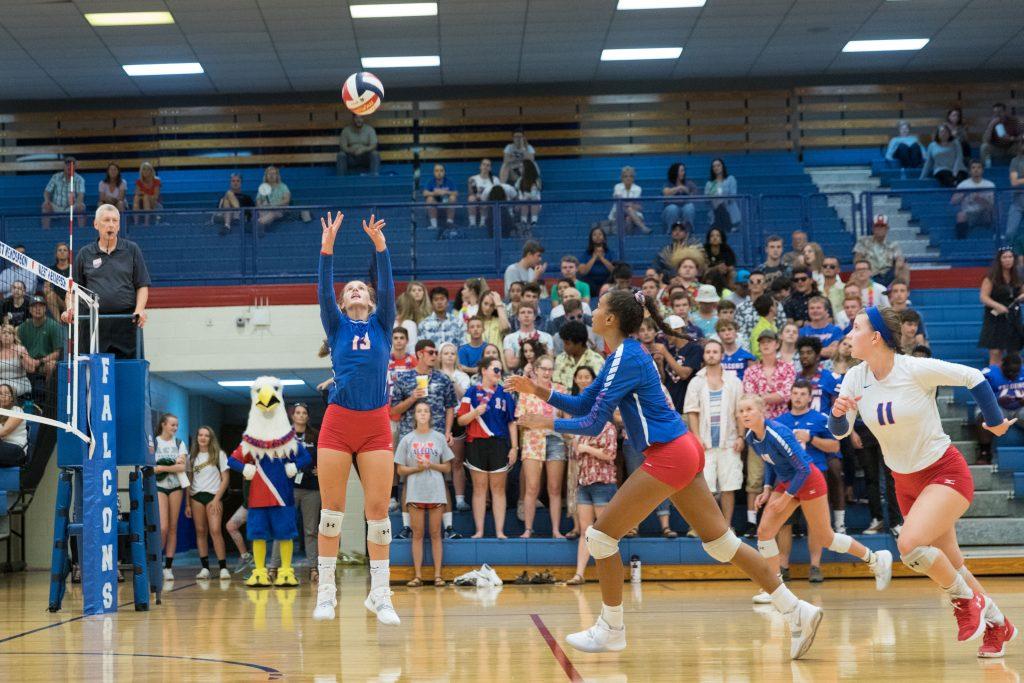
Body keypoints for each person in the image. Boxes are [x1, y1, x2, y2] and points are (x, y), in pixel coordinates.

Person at [506, 289, 822, 658]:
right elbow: (581, 402)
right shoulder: (622, 354)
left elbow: (593, 424)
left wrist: (544, 422)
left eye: (598, 307)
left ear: (610, 319)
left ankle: (611, 628)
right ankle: (796, 609)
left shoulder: (625, 356)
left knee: (600, 538)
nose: (591, 311)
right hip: (681, 449)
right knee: (722, 545)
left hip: (669, 454)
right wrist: (540, 391)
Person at [829, 305, 1017, 656]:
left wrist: (994, 420)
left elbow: (973, 377)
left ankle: (963, 602)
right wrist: (838, 415)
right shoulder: (856, 377)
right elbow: (840, 433)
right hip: (905, 482)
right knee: (953, 563)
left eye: (855, 327)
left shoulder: (913, 368)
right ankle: (998, 623)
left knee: (910, 545)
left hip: (944, 473)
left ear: (876, 337)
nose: (848, 335)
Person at [312, 211, 400, 625]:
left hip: (375, 424)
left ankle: (380, 594)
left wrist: (379, 246)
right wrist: (327, 248)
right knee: (332, 511)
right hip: (338, 424)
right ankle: (326, 593)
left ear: (370, 298)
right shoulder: (336, 326)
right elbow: (322, 291)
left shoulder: (384, 324)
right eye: (350, 290)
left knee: (378, 512)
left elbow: (388, 283)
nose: (355, 290)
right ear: (344, 302)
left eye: (361, 287)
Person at [742, 393, 893, 594]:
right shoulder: (751, 437)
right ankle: (775, 588)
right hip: (788, 482)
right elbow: (770, 461)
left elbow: (803, 469)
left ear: (762, 411)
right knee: (765, 532)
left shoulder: (777, 432)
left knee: (826, 538)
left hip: (809, 480)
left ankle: (875, 559)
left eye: (749, 409)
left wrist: (786, 498)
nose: (745, 414)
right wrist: (767, 489)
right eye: (741, 411)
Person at [63, 205, 150, 359]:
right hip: (93, 323)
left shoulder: (132, 250)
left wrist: (140, 309)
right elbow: (72, 290)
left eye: (115, 221)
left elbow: (142, 285)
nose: (111, 224)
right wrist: (70, 308)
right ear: (96, 224)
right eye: (106, 220)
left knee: (127, 371)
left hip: (125, 323)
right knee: (93, 375)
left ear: (119, 225)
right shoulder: (85, 253)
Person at [389, 339, 457, 535]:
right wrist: (413, 397)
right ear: (419, 354)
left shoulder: (443, 379)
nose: (435, 356)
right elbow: (393, 410)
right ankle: (406, 527)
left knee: (441, 478)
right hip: (409, 437)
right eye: (431, 352)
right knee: (407, 480)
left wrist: (447, 431)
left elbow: (450, 406)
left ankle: (449, 527)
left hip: (436, 436)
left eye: (436, 352)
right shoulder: (404, 379)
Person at [684, 340, 743, 531]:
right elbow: (692, 411)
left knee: (728, 486)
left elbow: (740, 413)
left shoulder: (734, 381)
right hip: (704, 444)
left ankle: (726, 526)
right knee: (705, 488)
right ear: (704, 355)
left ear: (721, 355)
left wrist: (741, 437)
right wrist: (697, 438)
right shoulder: (696, 381)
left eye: (715, 351)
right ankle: (705, 527)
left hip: (729, 442)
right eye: (708, 351)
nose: (711, 354)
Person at [394, 401, 453, 587]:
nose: (422, 414)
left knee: (436, 533)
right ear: (415, 415)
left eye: (426, 411)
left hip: (435, 491)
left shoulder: (439, 438)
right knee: (417, 534)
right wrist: (417, 468)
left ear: (430, 415)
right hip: (414, 491)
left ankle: (437, 575)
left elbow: (448, 466)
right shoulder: (407, 439)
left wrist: (431, 465)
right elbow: (400, 470)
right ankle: (418, 575)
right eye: (419, 411)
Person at [458, 357, 518, 539]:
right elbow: (461, 420)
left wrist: (514, 447)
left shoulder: (505, 393)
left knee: (498, 489)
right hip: (476, 443)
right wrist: (475, 412)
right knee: (479, 488)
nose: (499, 374)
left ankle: (500, 531)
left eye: (500, 370)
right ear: (484, 370)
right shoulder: (471, 391)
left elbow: (512, 422)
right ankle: (479, 531)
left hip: (499, 443)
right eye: (495, 370)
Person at [516, 355, 568, 539]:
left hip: (555, 439)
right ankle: (528, 529)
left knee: (554, 488)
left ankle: (556, 530)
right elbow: (520, 420)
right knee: (532, 487)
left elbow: (567, 418)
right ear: (536, 370)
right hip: (533, 441)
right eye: (544, 368)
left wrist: (549, 422)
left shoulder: (560, 390)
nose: (547, 372)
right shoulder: (526, 391)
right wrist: (543, 423)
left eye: (550, 369)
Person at [564, 414, 618, 586]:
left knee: (604, 532)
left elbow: (610, 454)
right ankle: (579, 574)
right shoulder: (582, 429)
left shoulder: (608, 427)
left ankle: (611, 575)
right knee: (585, 531)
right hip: (584, 483)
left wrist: (586, 448)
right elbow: (576, 451)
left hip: (602, 483)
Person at [184, 426, 230, 580]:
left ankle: (223, 567)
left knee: (215, 530)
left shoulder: (219, 455)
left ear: (211, 438)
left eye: (206, 436)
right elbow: (189, 481)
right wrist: (187, 503)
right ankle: (205, 568)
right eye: (200, 435)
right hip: (196, 497)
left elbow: (226, 479)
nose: (203, 438)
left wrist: (217, 499)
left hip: (213, 496)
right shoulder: (192, 457)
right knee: (200, 531)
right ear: (197, 437)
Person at [437, 341, 471, 518]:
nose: (449, 356)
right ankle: (441, 498)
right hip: (438, 419)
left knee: (457, 461)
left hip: (457, 419)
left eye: (452, 353)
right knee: (440, 463)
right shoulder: (433, 375)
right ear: (440, 356)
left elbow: (464, 397)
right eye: (446, 353)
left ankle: (459, 498)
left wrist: (451, 380)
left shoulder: (462, 376)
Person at [153, 413, 187, 581]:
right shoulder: (154, 442)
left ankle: (168, 567)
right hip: (159, 487)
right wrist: (165, 467)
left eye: (176, 425)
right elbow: (151, 468)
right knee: (163, 527)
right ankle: (157, 562)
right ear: (163, 425)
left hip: (175, 487)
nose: (175, 428)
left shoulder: (180, 443)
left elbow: (181, 468)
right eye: (172, 425)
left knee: (173, 527)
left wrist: (162, 468)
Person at [289, 402, 321, 580]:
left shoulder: (315, 435)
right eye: (297, 413)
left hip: (311, 489)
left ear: (307, 417)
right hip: (289, 488)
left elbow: (325, 454)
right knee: (285, 528)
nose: (300, 415)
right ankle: (275, 567)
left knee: (310, 530)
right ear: (292, 416)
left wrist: (322, 469)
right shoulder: (284, 437)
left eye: (304, 413)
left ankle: (313, 567)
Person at [978, 247, 1024, 366]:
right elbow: (983, 297)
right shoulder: (991, 277)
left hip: (1013, 316)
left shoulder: (1018, 276)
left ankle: (1016, 380)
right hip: (995, 317)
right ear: (999, 260)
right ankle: (995, 381)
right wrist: (997, 306)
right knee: (996, 351)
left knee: (1014, 351)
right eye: (1005, 257)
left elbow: (1021, 293)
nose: (1008, 260)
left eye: (1010, 257)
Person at [978, 352, 1024, 465]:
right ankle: (985, 452)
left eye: (1015, 372)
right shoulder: (989, 373)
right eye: (1009, 371)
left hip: (1021, 407)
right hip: (997, 406)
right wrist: (996, 399)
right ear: (1001, 365)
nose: (1012, 374)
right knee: (984, 415)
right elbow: (979, 394)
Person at [17, 295, 62, 384]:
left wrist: (40, 361)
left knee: (51, 365)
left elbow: (57, 352)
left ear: (45, 309)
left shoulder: (53, 325)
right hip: (27, 361)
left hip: (44, 362)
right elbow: (17, 347)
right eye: (34, 306)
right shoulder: (23, 327)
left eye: (41, 306)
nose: (38, 309)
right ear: (29, 310)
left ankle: (48, 395)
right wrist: (27, 359)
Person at [553, 321, 604, 388]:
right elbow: (555, 385)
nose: (564, 347)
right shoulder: (560, 359)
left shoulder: (597, 361)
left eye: (567, 343)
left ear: (579, 343)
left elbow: (599, 390)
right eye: (564, 343)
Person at [953, 160, 996, 239]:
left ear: (982, 170)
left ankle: (996, 236)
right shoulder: (963, 185)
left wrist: (980, 199)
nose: (976, 170)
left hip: (984, 213)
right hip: (969, 213)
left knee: (995, 212)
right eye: (973, 168)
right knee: (960, 215)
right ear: (969, 171)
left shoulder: (990, 185)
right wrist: (964, 194)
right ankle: (961, 242)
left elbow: (993, 204)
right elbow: (953, 201)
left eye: (979, 167)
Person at [42, 157, 85, 230]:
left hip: (71, 208)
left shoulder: (79, 179)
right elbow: (47, 191)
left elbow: (81, 194)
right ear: (63, 166)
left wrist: (78, 203)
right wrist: (47, 200)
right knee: (45, 206)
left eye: (71, 165)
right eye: (67, 165)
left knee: (81, 206)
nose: (69, 167)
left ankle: (81, 232)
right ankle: (46, 233)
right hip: (56, 207)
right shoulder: (56, 177)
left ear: (75, 167)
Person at [610, 166, 648, 234]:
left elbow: (637, 206)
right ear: (622, 178)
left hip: (634, 214)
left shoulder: (638, 188)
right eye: (625, 176)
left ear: (633, 178)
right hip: (618, 212)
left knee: (629, 218)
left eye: (631, 176)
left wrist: (630, 205)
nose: (628, 178)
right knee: (627, 208)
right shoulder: (617, 186)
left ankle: (627, 239)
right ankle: (642, 227)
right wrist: (630, 204)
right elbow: (619, 201)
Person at [981, 102, 1021, 168]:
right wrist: (991, 125)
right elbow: (985, 140)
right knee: (984, 147)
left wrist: (1011, 138)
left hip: (1011, 148)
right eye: (995, 113)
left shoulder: (1014, 121)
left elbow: (1021, 136)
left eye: (1000, 112)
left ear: (1005, 112)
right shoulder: (991, 122)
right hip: (997, 149)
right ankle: (987, 168)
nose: (997, 115)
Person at [661, 162, 699, 231]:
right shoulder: (668, 184)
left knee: (689, 208)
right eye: (681, 171)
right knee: (672, 209)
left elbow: (694, 195)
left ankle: (688, 231)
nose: (683, 173)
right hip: (672, 209)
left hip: (685, 207)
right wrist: (680, 188)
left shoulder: (689, 183)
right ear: (675, 172)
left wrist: (687, 191)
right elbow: (666, 193)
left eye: (684, 171)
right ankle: (672, 231)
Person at [705, 158, 740, 231]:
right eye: (714, 166)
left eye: (718, 165)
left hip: (729, 209)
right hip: (715, 210)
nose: (716, 168)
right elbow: (707, 199)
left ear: (723, 167)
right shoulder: (710, 183)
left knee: (720, 206)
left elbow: (733, 195)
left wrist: (722, 200)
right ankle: (726, 227)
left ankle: (723, 226)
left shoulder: (730, 179)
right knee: (718, 206)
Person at [578, 227, 615, 295]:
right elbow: (583, 272)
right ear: (591, 238)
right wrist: (594, 258)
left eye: (600, 234)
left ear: (604, 237)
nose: (597, 236)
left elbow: (615, 270)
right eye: (594, 235)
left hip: (606, 281)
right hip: (591, 282)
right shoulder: (586, 253)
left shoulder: (610, 253)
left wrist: (602, 258)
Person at [255, 165, 291, 233]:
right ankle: (263, 224)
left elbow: (287, 200)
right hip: (265, 210)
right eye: (269, 174)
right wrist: (262, 207)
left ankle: (259, 224)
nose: (271, 175)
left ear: (277, 175)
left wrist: (274, 205)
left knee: (272, 213)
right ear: (266, 176)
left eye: (274, 173)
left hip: (279, 210)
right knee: (259, 211)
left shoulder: (283, 186)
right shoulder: (263, 187)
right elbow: (258, 202)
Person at [423, 163, 458, 231]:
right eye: (437, 171)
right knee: (429, 199)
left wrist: (445, 192)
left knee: (453, 198)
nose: (439, 173)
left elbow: (456, 193)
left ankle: (449, 223)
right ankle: (434, 225)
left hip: (446, 202)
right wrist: (435, 193)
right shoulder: (430, 181)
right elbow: (425, 193)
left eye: (441, 170)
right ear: (434, 172)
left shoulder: (449, 181)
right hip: (435, 202)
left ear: (444, 172)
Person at [395, 280, 430, 347]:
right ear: (408, 293)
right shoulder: (401, 314)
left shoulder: (429, 313)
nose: (417, 292)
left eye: (419, 290)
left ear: (424, 293)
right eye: (413, 290)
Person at [467, 158, 498, 228]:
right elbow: (470, 193)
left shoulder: (495, 179)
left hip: (489, 201)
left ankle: (483, 223)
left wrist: (484, 195)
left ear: (490, 168)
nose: (485, 167)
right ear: (480, 166)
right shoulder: (473, 178)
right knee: (471, 198)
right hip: (476, 199)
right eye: (483, 164)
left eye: (488, 165)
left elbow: (496, 194)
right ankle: (472, 223)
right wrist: (476, 193)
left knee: (484, 199)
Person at [132, 161, 162, 225]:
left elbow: (156, 197)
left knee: (145, 197)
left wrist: (145, 195)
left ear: (151, 171)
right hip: (141, 203)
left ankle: (146, 223)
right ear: (141, 171)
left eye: (148, 169)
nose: (146, 171)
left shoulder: (157, 181)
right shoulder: (138, 181)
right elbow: (137, 193)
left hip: (154, 203)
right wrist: (144, 195)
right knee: (136, 197)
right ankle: (136, 222)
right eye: (144, 169)